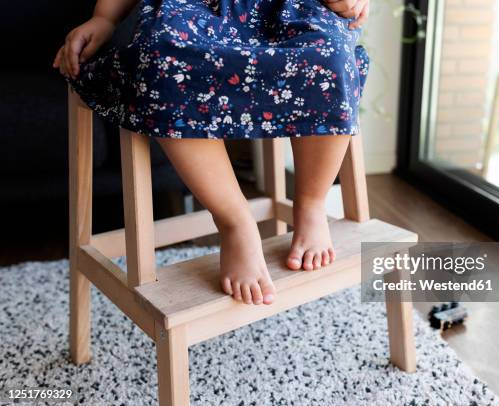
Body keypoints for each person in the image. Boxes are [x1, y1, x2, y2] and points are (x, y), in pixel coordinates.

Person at [54, 0, 370, 306]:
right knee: (163, 61)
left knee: (331, 56)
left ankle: (312, 203)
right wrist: (105, 18)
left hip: (292, 7)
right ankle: (235, 222)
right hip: (192, 9)